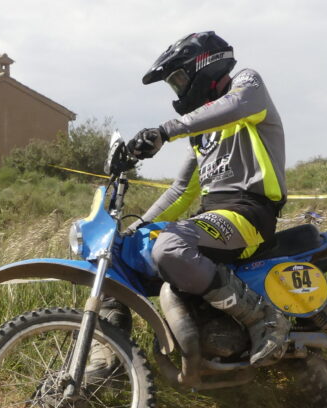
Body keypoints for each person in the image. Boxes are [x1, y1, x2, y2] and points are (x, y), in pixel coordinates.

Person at [115, 31, 290, 370]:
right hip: (214, 219)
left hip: (249, 212)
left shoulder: (248, 85)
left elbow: (236, 105)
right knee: (125, 252)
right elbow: (181, 191)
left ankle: (265, 318)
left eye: (179, 79)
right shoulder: (201, 133)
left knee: (170, 247)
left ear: (205, 65)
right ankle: (111, 360)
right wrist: (133, 229)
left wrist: (165, 130)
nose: (178, 90)